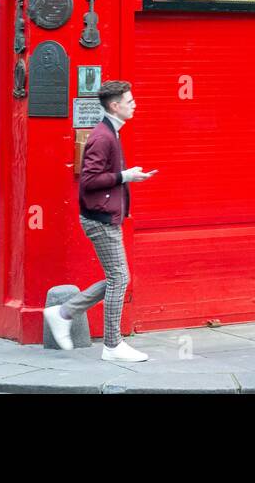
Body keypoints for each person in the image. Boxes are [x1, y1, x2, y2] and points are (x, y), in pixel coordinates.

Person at [43, 80, 157, 362]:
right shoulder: (103, 136)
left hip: (105, 216)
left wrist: (129, 176)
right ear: (115, 106)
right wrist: (125, 176)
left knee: (117, 277)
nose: (135, 105)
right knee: (119, 278)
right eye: (130, 101)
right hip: (100, 219)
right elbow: (90, 180)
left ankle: (63, 312)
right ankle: (112, 344)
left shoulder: (111, 132)